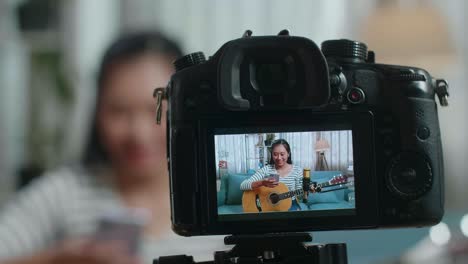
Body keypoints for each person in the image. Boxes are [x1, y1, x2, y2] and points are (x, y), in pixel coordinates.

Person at [0, 32, 225, 264]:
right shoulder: (64, 193)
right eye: (119, 111)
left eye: (155, 110)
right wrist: (56, 259)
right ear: (97, 112)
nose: (139, 134)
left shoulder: (220, 194)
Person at [240, 139, 303, 211]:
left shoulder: (297, 171)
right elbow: (243, 185)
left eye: (282, 154)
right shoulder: (266, 170)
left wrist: (306, 191)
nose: (279, 158)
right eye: (275, 154)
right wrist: (262, 183)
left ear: (288, 154)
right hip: (268, 206)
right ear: (271, 154)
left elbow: (300, 196)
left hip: (291, 204)